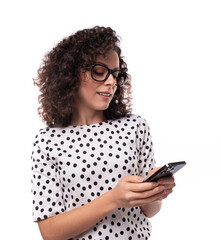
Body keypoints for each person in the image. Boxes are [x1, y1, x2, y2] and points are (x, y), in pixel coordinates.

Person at [30, 25, 176, 240]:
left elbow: (149, 211)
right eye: (99, 72)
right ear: (70, 75)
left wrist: (156, 193)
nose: (111, 82)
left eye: (116, 75)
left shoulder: (135, 127)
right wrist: (113, 199)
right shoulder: (47, 141)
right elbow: (50, 232)